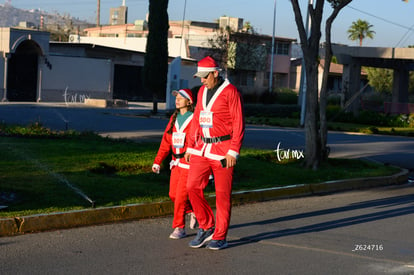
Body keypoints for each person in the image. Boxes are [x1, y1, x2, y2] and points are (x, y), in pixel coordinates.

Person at [184, 56, 245, 250]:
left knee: (222, 195)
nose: (201, 80)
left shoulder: (231, 92)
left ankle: (220, 236)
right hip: (202, 149)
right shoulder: (202, 91)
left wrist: (233, 151)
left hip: (222, 150)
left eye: (204, 76)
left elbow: (238, 123)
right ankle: (207, 226)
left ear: (215, 74)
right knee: (191, 186)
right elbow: (196, 120)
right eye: (200, 77)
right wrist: (190, 146)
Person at [152, 88, 197, 239]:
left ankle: (179, 228)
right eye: (176, 97)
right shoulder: (174, 118)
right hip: (175, 163)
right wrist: (158, 161)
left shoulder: (194, 118)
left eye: (181, 97)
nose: (177, 99)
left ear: (189, 102)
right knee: (172, 195)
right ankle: (193, 210)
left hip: (188, 164)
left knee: (180, 197)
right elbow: (166, 141)